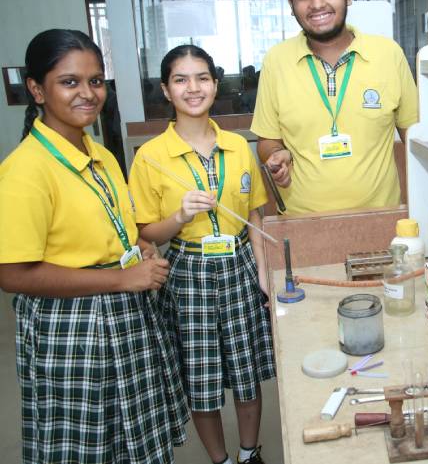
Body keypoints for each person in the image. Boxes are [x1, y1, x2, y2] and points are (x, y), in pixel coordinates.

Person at [0, 29, 189, 464]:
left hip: (123, 308)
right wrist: (120, 278)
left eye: (96, 81)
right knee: (88, 446)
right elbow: (12, 274)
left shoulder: (100, 153)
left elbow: (117, 229)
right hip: (74, 327)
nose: (88, 93)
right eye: (70, 82)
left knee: (132, 441)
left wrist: (137, 247)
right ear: (36, 89)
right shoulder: (26, 171)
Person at [128, 45, 275, 464]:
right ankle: (221, 460)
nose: (193, 88)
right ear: (166, 90)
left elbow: (254, 217)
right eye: (181, 79)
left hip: (240, 263)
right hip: (188, 271)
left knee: (247, 376)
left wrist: (263, 273)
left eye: (202, 78)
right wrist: (178, 215)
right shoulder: (152, 157)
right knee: (202, 377)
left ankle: (249, 453)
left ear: (215, 83)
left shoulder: (237, 146)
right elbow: (145, 233)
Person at [251, 0, 419, 215]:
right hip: (303, 223)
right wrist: (276, 155)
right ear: (292, 6)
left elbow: (415, 137)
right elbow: (267, 139)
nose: (317, 4)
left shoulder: (388, 54)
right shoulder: (276, 61)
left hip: (381, 217)